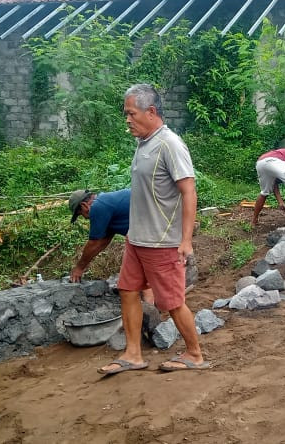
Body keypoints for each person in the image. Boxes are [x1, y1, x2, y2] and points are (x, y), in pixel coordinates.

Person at [96, 84, 208, 375]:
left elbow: (189, 191)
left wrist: (186, 240)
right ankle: (133, 354)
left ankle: (194, 354)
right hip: (137, 239)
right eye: (126, 114)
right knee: (127, 290)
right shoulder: (144, 142)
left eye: (131, 113)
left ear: (151, 112)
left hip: (162, 241)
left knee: (171, 302)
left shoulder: (169, 144)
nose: (127, 119)